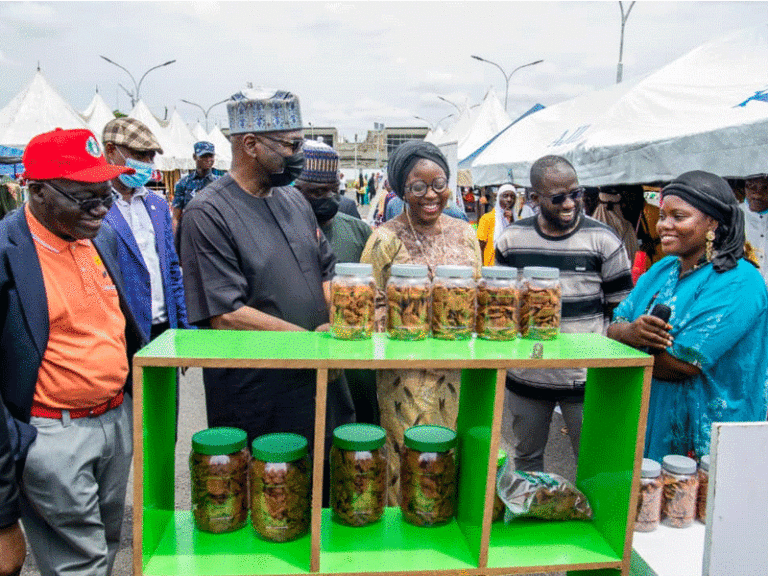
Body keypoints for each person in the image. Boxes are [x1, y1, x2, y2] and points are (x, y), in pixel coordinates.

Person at [0, 128, 145, 576]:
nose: (102, 209)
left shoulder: (100, 237)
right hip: (52, 434)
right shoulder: (6, 253)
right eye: (86, 199)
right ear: (37, 190)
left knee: (105, 542)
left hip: (115, 421)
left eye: (107, 195)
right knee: (78, 564)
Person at [180, 88, 354, 451]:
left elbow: (324, 271)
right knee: (270, 495)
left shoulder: (294, 200)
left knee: (321, 489)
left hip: (318, 380)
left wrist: (340, 323)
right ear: (250, 144)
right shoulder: (207, 213)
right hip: (257, 392)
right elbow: (226, 314)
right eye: (291, 147)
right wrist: (311, 346)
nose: (298, 157)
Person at [608, 171, 768, 462]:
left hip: (706, 438)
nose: (663, 226)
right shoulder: (664, 268)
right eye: (662, 216)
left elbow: (680, 366)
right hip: (650, 419)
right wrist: (631, 333)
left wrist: (628, 341)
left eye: (678, 217)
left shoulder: (739, 281)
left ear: (713, 223)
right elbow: (615, 325)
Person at [360, 140, 481, 503]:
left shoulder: (465, 233)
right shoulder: (385, 238)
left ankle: (447, 541)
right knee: (407, 458)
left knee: (456, 456)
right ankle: (403, 546)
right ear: (401, 190)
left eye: (439, 184)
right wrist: (410, 322)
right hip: (406, 374)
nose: (431, 195)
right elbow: (365, 301)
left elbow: (478, 291)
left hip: (461, 366)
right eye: (418, 187)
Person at [495, 155, 633, 472]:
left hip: (584, 379)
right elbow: (503, 306)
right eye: (558, 198)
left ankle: (592, 521)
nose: (570, 203)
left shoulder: (603, 240)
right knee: (527, 460)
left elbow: (621, 312)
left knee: (593, 463)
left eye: (576, 193)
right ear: (534, 199)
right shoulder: (512, 241)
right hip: (527, 376)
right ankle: (532, 516)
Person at [294, 140, 377, 424]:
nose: (328, 197)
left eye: (333, 189)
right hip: (299, 354)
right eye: (317, 192)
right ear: (295, 191)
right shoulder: (280, 232)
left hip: (354, 361)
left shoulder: (358, 230)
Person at [102, 117, 191, 343]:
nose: (148, 163)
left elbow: (171, 268)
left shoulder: (158, 205)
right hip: (121, 331)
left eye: (151, 156)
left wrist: (182, 326)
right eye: (140, 155)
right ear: (111, 150)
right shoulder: (96, 208)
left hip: (164, 328)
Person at [172, 141, 219, 234]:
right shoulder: (183, 183)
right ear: (194, 157)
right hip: (190, 233)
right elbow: (176, 216)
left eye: (211, 156)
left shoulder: (219, 183)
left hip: (214, 235)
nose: (208, 159)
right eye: (204, 156)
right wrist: (176, 240)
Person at [477, 184, 517, 266]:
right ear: (499, 198)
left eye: (512, 197)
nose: (509, 199)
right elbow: (480, 246)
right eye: (505, 196)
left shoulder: (518, 220)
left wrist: (513, 222)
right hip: (491, 266)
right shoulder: (487, 219)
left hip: (511, 267)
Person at [741, 173, 768, 285]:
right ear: (744, 188)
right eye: (751, 187)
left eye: (765, 188)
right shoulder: (731, 218)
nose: (757, 195)